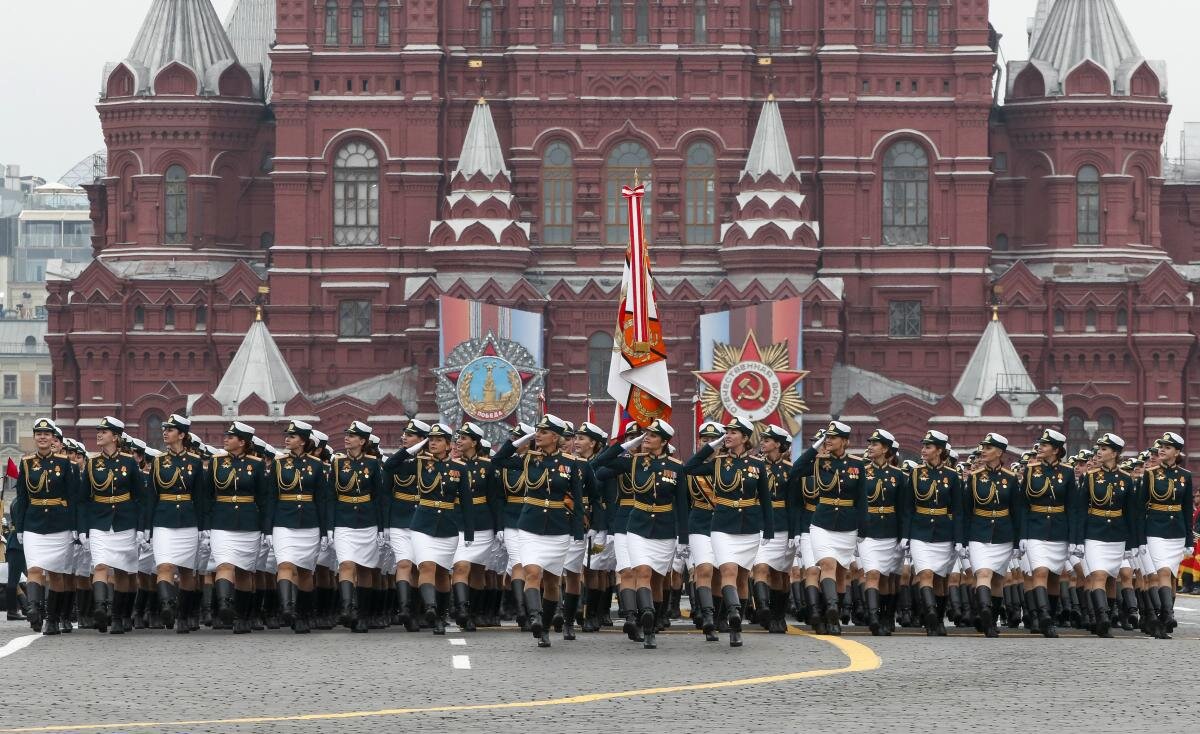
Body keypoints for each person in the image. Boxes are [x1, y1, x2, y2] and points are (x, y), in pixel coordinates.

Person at [592, 419, 687, 649]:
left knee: (656, 579)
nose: (647, 438)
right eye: (645, 435)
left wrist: (682, 538)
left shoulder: (676, 467)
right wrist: (624, 446)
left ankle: (652, 621)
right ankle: (642, 617)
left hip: (663, 529)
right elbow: (597, 464)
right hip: (636, 526)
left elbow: (682, 505)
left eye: (652, 436)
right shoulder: (633, 463)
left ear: (664, 441)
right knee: (639, 571)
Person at [492, 414, 584, 648]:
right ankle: (534, 616)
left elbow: (578, 500)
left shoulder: (570, 463)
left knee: (553, 582)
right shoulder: (527, 459)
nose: (539, 435)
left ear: (555, 437)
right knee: (532, 572)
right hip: (530, 525)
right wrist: (522, 439)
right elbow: (498, 461)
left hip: (558, 528)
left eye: (543, 432)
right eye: (537, 432)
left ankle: (544, 625)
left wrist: (577, 531)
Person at [681, 416, 773, 647]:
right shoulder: (718, 462)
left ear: (744, 437)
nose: (728, 435)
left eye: (733, 432)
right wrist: (712, 446)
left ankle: (736, 625)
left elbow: (765, 500)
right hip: (721, 525)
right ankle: (728, 616)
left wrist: (768, 530)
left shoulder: (758, 466)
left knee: (743, 578)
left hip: (750, 527)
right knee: (728, 570)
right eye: (727, 432)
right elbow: (690, 467)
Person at [791, 420, 863, 636]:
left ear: (845, 441)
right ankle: (829, 608)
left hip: (847, 524)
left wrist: (863, 529)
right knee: (827, 565)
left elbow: (861, 500)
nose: (828, 441)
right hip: (821, 523)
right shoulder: (817, 461)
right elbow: (796, 470)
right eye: (826, 437)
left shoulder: (856, 464)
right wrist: (814, 448)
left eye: (833, 437)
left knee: (842, 572)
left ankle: (833, 616)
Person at [12, 418, 79, 635]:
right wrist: (19, 527)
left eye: (46, 434)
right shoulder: (26, 463)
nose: (42, 437)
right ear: (34, 437)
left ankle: (53, 617)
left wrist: (76, 527)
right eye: (38, 434)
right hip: (33, 523)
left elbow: (74, 497)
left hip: (60, 525)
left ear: (53, 439)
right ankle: (34, 607)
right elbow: (22, 498)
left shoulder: (65, 463)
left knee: (56, 574)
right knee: (34, 569)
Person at [80, 416, 144, 634]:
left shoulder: (129, 462)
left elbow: (140, 497)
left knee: (124, 572)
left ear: (115, 437)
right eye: (99, 430)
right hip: (99, 521)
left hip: (125, 522)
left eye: (104, 431)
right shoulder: (91, 464)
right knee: (100, 566)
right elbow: (83, 499)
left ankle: (120, 615)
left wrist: (142, 527)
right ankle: (101, 609)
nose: (99, 434)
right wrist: (83, 529)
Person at [207, 421, 270, 634]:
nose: (225, 439)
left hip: (248, 523)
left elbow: (263, 499)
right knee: (224, 565)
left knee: (244, 572)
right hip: (221, 522)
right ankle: (225, 606)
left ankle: (243, 617)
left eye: (230, 436)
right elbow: (207, 495)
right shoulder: (215, 462)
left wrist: (265, 529)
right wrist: (206, 524)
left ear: (242, 442)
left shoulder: (257, 464)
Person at [267, 420, 329, 634]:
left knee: (304, 572)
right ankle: (287, 608)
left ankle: (304, 613)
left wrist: (324, 530)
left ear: (303, 441)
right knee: (285, 565)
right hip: (283, 522)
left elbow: (322, 500)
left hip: (309, 523)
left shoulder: (316, 465)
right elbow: (271, 498)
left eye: (292, 436)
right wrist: (268, 529)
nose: (287, 439)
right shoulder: (278, 463)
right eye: (287, 435)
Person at [1073, 433, 1137, 638]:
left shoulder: (1126, 479)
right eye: (1099, 449)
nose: (1099, 452)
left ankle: (1106, 614)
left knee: (1110, 578)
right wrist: (1078, 540)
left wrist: (1131, 544)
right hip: (1094, 532)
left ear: (1115, 453)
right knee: (1098, 575)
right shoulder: (1090, 477)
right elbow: (1081, 510)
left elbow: (1130, 514)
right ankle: (1102, 618)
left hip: (1117, 535)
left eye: (1104, 449)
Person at [146, 414, 206, 633]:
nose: (165, 433)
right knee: (164, 566)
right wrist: (147, 527)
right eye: (164, 429)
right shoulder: (158, 461)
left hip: (188, 520)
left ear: (182, 435)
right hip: (164, 519)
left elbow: (200, 497)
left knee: (187, 571)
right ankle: (168, 606)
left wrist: (203, 527)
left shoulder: (195, 462)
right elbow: (152, 496)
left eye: (170, 430)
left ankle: (185, 614)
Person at [903, 429, 961, 636]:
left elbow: (958, 510)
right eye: (923, 446)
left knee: (939, 579)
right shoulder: (916, 473)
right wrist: (905, 535)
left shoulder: (953, 476)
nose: (923, 450)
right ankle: (930, 616)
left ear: (939, 450)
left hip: (944, 533)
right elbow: (908, 508)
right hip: (920, 531)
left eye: (928, 447)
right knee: (925, 573)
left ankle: (938, 618)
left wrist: (959, 539)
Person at [963, 433, 1021, 638]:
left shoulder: (1011, 479)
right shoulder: (975, 477)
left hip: (1004, 534)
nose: (983, 452)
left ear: (999, 452)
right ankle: (986, 613)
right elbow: (966, 510)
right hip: (979, 532)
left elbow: (1017, 511)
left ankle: (992, 616)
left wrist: (1017, 541)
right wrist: (963, 540)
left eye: (988, 448)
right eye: (983, 448)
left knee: (998, 578)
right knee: (983, 573)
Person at [329, 421, 384, 633]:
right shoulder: (337, 463)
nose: (347, 438)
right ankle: (347, 608)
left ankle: (363, 614)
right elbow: (331, 497)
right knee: (346, 565)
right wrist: (330, 527)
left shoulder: (373, 464)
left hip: (367, 522)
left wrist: (381, 528)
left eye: (352, 436)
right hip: (343, 521)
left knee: (365, 569)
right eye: (347, 435)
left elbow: (379, 498)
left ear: (362, 441)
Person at [1020, 428, 1074, 638]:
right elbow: (1024, 505)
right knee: (1040, 572)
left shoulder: (1067, 472)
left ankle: (1048, 613)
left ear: (1056, 449)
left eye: (1045, 444)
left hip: (1059, 530)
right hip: (1036, 528)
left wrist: (1073, 539)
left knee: (1053, 576)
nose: (1040, 447)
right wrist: (1023, 535)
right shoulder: (1031, 470)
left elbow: (1073, 508)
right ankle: (1043, 616)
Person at [1139, 431, 1193, 638]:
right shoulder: (1150, 474)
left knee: (1170, 576)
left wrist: (1189, 539)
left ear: (1177, 452)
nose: (1161, 449)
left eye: (1167, 447)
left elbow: (1187, 510)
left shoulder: (1185, 476)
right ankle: (1168, 614)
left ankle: (1162, 622)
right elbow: (1140, 507)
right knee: (1161, 572)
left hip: (1176, 532)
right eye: (1161, 446)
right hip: (1155, 530)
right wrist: (1140, 538)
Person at [856, 428, 908, 636]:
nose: (870, 447)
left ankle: (887, 615)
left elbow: (904, 509)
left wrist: (904, 536)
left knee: (887, 578)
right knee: (873, 574)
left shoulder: (899, 476)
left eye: (875, 444)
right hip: (868, 531)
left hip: (891, 531)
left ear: (886, 449)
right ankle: (874, 617)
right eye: (870, 443)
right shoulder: (861, 471)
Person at [382, 419, 431, 631]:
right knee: (404, 564)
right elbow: (388, 466)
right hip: (400, 521)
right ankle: (405, 609)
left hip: (425, 522)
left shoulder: (433, 462)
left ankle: (421, 611)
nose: (404, 438)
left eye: (410, 435)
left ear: (422, 439)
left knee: (422, 568)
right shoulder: (400, 462)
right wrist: (409, 450)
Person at [450, 422, 498, 632]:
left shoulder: (488, 467)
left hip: (482, 523)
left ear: (475, 442)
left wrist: (499, 529)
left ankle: (475, 611)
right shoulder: (452, 465)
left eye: (463, 438)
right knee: (461, 566)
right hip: (458, 522)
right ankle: (462, 610)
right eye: (458, 438)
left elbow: (495, 500)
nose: (459, 441)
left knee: (478, 570)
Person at [752, 425, 795, 633]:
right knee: (760, 567)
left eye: (768, 440)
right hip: (760, 523)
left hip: (783, 526)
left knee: (780, 575)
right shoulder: (755, 466)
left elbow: (795, 504)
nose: (763, 443)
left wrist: (794, 532)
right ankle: (762, 608)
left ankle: (779, 615)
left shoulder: (789, 469)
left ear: (778, 444)